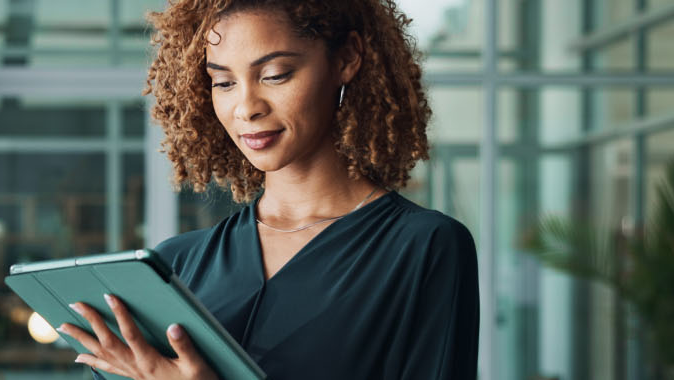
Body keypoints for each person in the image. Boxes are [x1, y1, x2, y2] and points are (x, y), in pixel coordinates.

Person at [54, 0, 480, 379]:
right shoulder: (175, 264)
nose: (246, 107)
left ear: (347, 58)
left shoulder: (423, 247)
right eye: (223, 82)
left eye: (275, 75)